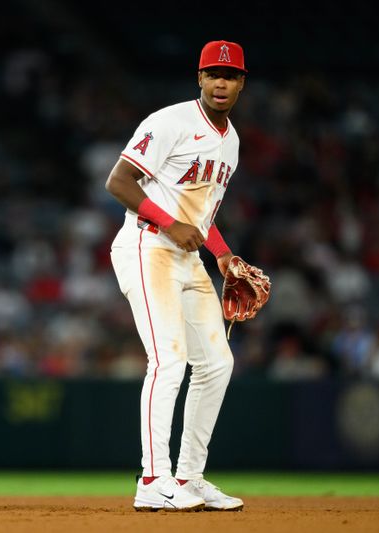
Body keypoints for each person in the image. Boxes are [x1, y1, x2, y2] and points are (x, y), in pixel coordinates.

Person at [106, 40, 248, 512]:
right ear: (200, 79)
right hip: (147, 245)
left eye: (230, 75)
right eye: (213, 74)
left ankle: (188, 477)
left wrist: (224, 256)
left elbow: (200, 216)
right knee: (168, 360)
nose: (221, 82)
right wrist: (170, 224)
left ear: (241, 83)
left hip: (187, 256)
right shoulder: (169, 121)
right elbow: (119, 181)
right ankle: (152, 479)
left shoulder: (231, 142)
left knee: (217, 364)